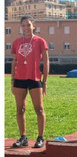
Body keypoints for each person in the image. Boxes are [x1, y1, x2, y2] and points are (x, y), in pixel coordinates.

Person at [10, 16, 49, 148]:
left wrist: (45, 82)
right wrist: (12, 81)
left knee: (39, 109)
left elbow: (46, 61)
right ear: (21, 27)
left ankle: (40, 138)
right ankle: (23, 137)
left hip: (35, 79)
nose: (26, 28)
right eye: (24, 25)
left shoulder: (40, 41)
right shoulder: (16, 42)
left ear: (34, 26)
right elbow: (14, 61)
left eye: (28, 25)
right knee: (20, 109)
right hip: (19, 80)